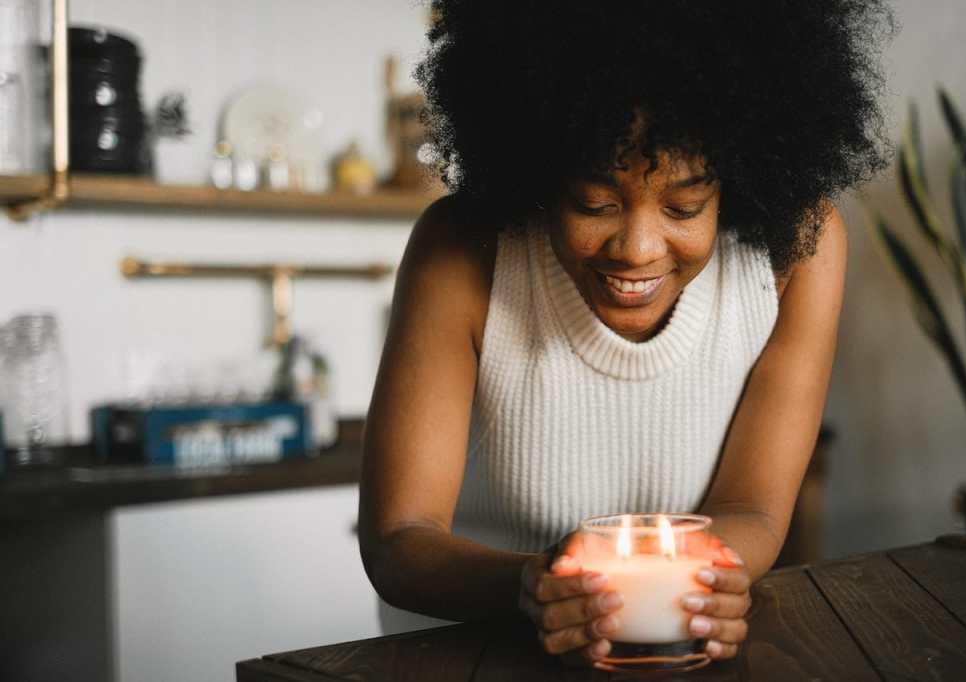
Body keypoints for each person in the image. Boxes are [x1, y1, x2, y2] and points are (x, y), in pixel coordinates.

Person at [359, 0, 891, 666]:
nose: (638, 249)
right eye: (594, 203)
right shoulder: (463, 251)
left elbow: (751, 508)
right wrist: (534, 587)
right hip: (463, 657)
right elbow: (399, 540)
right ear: (538, 170)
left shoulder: (796, 254)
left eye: (684, 206)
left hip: (668, 650)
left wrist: (706, 586)